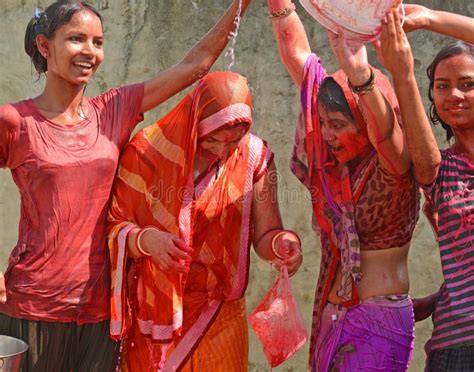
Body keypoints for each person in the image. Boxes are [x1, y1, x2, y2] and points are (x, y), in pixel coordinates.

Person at [0, 0, 252, 370]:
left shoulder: (113, 110)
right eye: (76, 39)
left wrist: (242, 4)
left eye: (98, 42)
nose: (89, 52)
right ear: (43, 46)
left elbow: (194, 67)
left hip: (103, 311)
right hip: (34, 307)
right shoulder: (16, 120)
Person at [107, 71, 303, 371]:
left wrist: (282, 245)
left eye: (233, 141)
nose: (223, 151)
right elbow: (113, 228)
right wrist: (147, 241)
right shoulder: (147, 154)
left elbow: (267, 234)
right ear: (195, 120)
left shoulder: (253, 156)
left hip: (219, 318)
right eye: (213, 140)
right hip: (158, 317)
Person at [266, 1, 421, 370]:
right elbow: (296, 57)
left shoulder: (394, 167)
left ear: (365, 121)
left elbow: (384, 133)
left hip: (376, 324)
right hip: (332, 317)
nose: (327, 135)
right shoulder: (334, 168)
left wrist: (361, 75)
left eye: (338, 124)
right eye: (323, 123)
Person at [375, 7, 474, 371]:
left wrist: (431, 18)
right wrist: (401, 75)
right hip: (455, 348)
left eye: (468, 83)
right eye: (442, 86)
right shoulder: (440, 169)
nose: (454, 95)